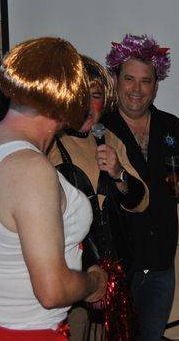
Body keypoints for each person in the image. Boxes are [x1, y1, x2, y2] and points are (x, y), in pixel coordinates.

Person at [0, 37, 108, 341]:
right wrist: (93, 282)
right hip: (25, 333)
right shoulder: (31, 168)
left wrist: (1, 260)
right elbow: (52, 291)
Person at [101, 34, 179, 340]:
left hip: (161, 263)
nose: (137, 89)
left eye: (145, 81)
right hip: (117, 267)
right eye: (129, 79)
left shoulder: (172, 126)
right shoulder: (99, 128)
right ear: (115, 80)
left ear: (156, 86)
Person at [48, 55, 149, 340]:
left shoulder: (110, 140)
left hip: (116, 272)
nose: (86, 105)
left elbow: (141, 201)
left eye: (94, 96)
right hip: (69, 273)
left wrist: (118, 173)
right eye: (79, 95)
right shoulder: (47, 142)